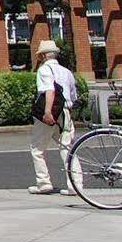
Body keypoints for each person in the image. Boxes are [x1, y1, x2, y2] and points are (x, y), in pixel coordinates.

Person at [26, 39, 81, 194]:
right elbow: (73, 96)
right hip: (65, 112)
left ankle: (43, 182)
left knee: (37, 149)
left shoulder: (44, 70)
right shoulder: (67, 72)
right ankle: (75, 184)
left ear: (43, 56)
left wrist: (48, 111)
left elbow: (49, 90)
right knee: (67, 147)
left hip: (49, 112)